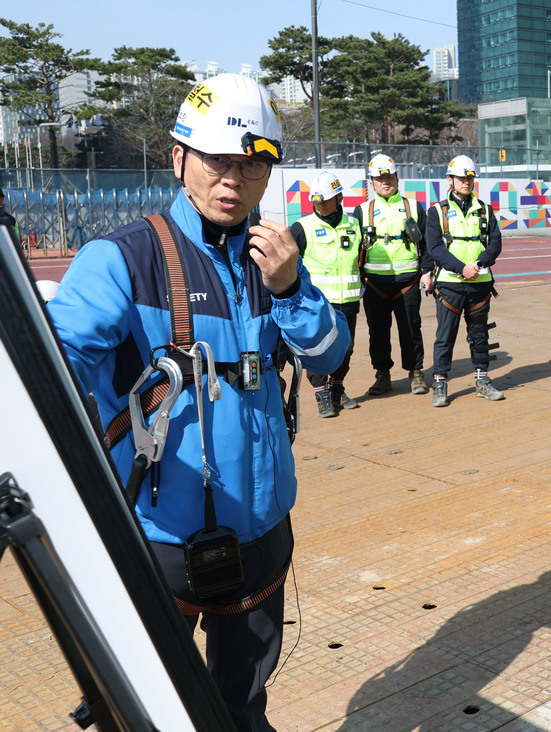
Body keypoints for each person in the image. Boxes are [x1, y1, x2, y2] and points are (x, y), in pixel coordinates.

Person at [48, 73, 349, 730]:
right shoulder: (122, 261)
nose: (232, 179)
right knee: (142, 708)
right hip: (160, 542)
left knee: (242, 707)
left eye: (252, 164)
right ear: (180, 158)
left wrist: (294, 290)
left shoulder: (274, 258)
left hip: (264, 534)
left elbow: (330, 356)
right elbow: (52, 368)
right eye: (217, 160)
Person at [425, 155, 504, 406]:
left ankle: (482, 380)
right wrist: (461, 269)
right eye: (461, 177)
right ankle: (440, 384)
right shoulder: (436, 212)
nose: (466, 182)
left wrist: (479, 265)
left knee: (480, 335)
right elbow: (435, 248)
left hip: (479, 283)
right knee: (445, 336)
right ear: (450, 180)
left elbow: (495, 243)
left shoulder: (485, 209)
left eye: (469, 177)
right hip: (450, 284)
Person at [351, 154, 431, 397]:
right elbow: (354, 249)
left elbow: (427, 244)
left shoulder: (413, 207)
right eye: (379, 178)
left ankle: (416, 373)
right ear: (372, 182)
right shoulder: (362, 210)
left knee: (411, 329)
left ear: (397, 178)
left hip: (408, 282)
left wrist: (427, 272)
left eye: (389, 177)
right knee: (378, 333)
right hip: (375, 284)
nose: (385, 182)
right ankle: (382, 375)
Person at [291, 172, 364, 417]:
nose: (320, 205)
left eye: (325, 200)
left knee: (346, 348)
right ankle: (321, 394)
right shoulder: (302, 228)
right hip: (319, 304)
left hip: (349, 300)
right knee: (318, 349)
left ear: (340, 198)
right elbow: (289, 265)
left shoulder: (354, 225)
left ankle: (337, 390)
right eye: (316, 201)